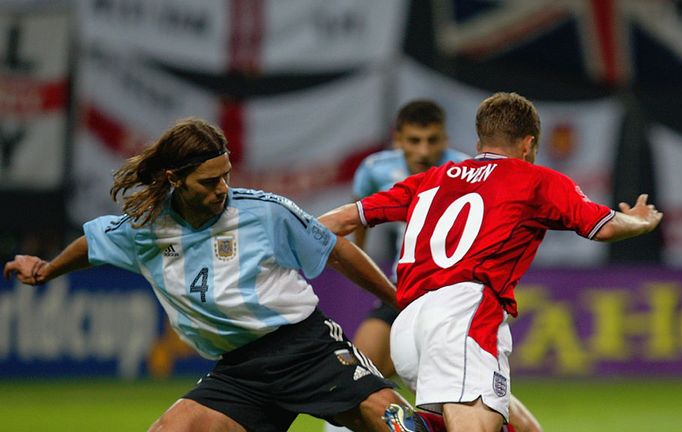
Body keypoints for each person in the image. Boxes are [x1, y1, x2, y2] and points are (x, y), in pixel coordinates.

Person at [3, 117, 429, 432]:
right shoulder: (146, 229)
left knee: (393, 422)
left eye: (225, 176)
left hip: (306, 349)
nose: (222, 188)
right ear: (176, 179)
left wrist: (396, 298)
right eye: (209, 182)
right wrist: (46, 269)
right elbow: (93, 244)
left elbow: (337, 251)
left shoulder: (264, 211)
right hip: (240, 371)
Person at [320, 92, 663, 432]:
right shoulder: (536, 180)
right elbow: (604, 227)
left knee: (522, 427)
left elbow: (346, 218)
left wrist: (284, 230)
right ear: (528, 144)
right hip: (462, 316)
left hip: (408, 327)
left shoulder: (432, 179)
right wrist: (641, 222)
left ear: (479, 139)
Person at [350, 100, 468, 379]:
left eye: (432, 140)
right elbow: (357, 215)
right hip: (402, 286)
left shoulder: (467, 171)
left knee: (449, 381)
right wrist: (361, 259)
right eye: (414, 140)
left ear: (445, 139)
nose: (423, 151)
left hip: (452, 291)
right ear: (398, 140)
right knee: (358, 372)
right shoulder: (374, 170)